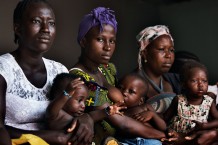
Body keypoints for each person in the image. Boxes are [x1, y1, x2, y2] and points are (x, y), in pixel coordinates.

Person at [0, 1, 93, 145]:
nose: (46, 29)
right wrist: (51, 137)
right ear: (18, 28)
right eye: (36, 21)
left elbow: (73, 112)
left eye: (51, 23)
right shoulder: (3, 68)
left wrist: (87, 119)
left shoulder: (59, 70)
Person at [69, 7, 166, 145]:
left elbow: (126, 108)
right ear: (84, 41)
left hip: (123, 136)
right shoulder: (79, 78)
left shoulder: (107, 68)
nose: (108, 47)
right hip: (102, 140)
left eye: (112, 41)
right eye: (100, 39)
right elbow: (121, 121)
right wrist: (164, 136)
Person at [46, 73, 125, 132]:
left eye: (84, 101)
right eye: (79, 100)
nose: (83, 105)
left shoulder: (79, 116)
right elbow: (51, 111)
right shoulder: (57, 115)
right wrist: (66, 93)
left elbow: (92, 116)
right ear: (61, 96)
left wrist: (107, 111)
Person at [164, 61, 218, 144]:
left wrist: (205, 125)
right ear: (184, 85)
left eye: (204, 81)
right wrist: (168, 130)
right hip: (177, 135)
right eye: (194, 81)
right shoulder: (178, 99)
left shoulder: (209, 102)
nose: (200, 85)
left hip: (195, 136)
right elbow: (166, 117)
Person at [134, 25, 181, 114]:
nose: (168, 55)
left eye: (171, 50)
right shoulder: (132, 84)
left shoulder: (174, 79)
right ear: (144, 53)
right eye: (161, 49)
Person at [115, 72, 166, 145]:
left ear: (141, 100)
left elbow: (163, 127)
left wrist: (152, 115)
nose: (124, 93)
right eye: (120, 88)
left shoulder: (145, 107)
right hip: (126, 141)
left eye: (131, 91)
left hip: (148, 141)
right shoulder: (117, 108)